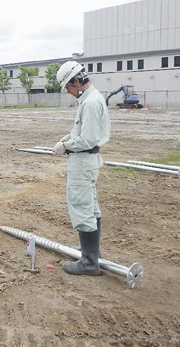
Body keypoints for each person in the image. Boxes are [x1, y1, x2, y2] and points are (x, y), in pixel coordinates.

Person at [52, 60, 110, 276]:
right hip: (85, 160)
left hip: (83, 159)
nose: (68, 91)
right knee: (90, 206)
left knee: (81, 205)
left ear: (77, 81)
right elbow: (83, 133)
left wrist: (65, 146)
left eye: (68, 86)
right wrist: (67, 138)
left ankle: (89, 262)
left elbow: (87, 139)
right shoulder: (89, 99)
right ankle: (92, 252)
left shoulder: (90, 103)